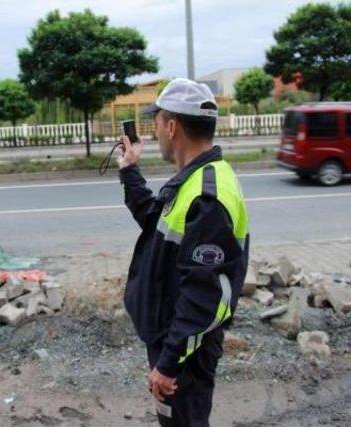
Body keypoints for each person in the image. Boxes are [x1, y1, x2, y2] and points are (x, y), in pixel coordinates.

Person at [117, 78, 250, 426]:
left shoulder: (206, 195)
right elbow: (154, 220)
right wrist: (130, 170)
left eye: (157, 122)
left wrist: (168, 364)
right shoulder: (195, 179)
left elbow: (204, 294)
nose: (156, 131)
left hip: (184, 353)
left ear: (172, 126)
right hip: (174, 340)